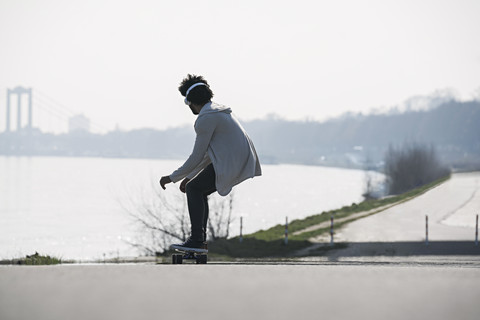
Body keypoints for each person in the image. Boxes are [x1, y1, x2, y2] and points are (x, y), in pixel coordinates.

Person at [159, 74, 262, 253]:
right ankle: (199, 241)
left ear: (190, 100)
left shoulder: (205, 119)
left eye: (186, 102)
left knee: (193, 189)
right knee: (197, 189)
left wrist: (172, 177)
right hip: (239, 158)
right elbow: (209, 154)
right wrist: (189, 177)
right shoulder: (218, 110)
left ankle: (197, 240)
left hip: (231, 160)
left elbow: (197, 156)